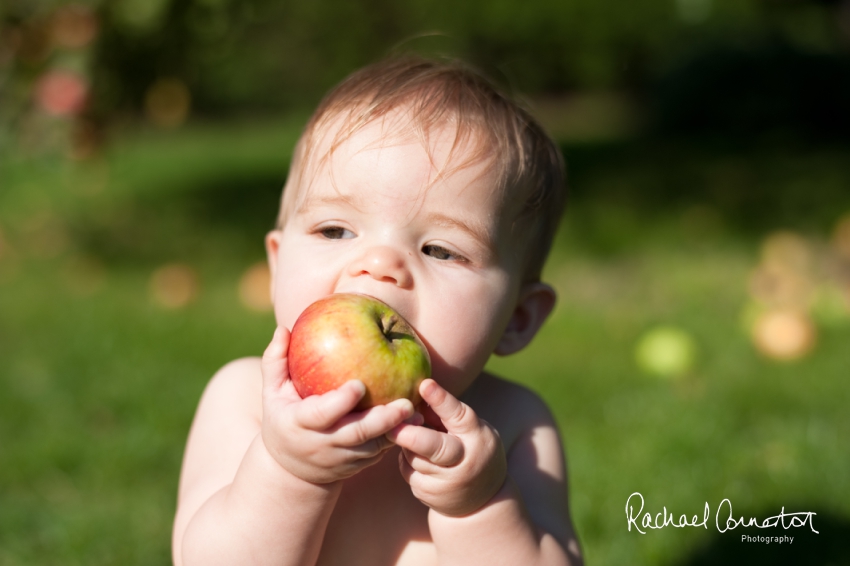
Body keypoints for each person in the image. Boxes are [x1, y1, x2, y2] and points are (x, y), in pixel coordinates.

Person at [172, 56, 583, 566]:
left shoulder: (515, 426)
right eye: (335, 230)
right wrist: (289, 473)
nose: (379, 265)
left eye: (441, 250)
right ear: (277, 265)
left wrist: (480, 506)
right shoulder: (243, 401)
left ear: (518, 318)